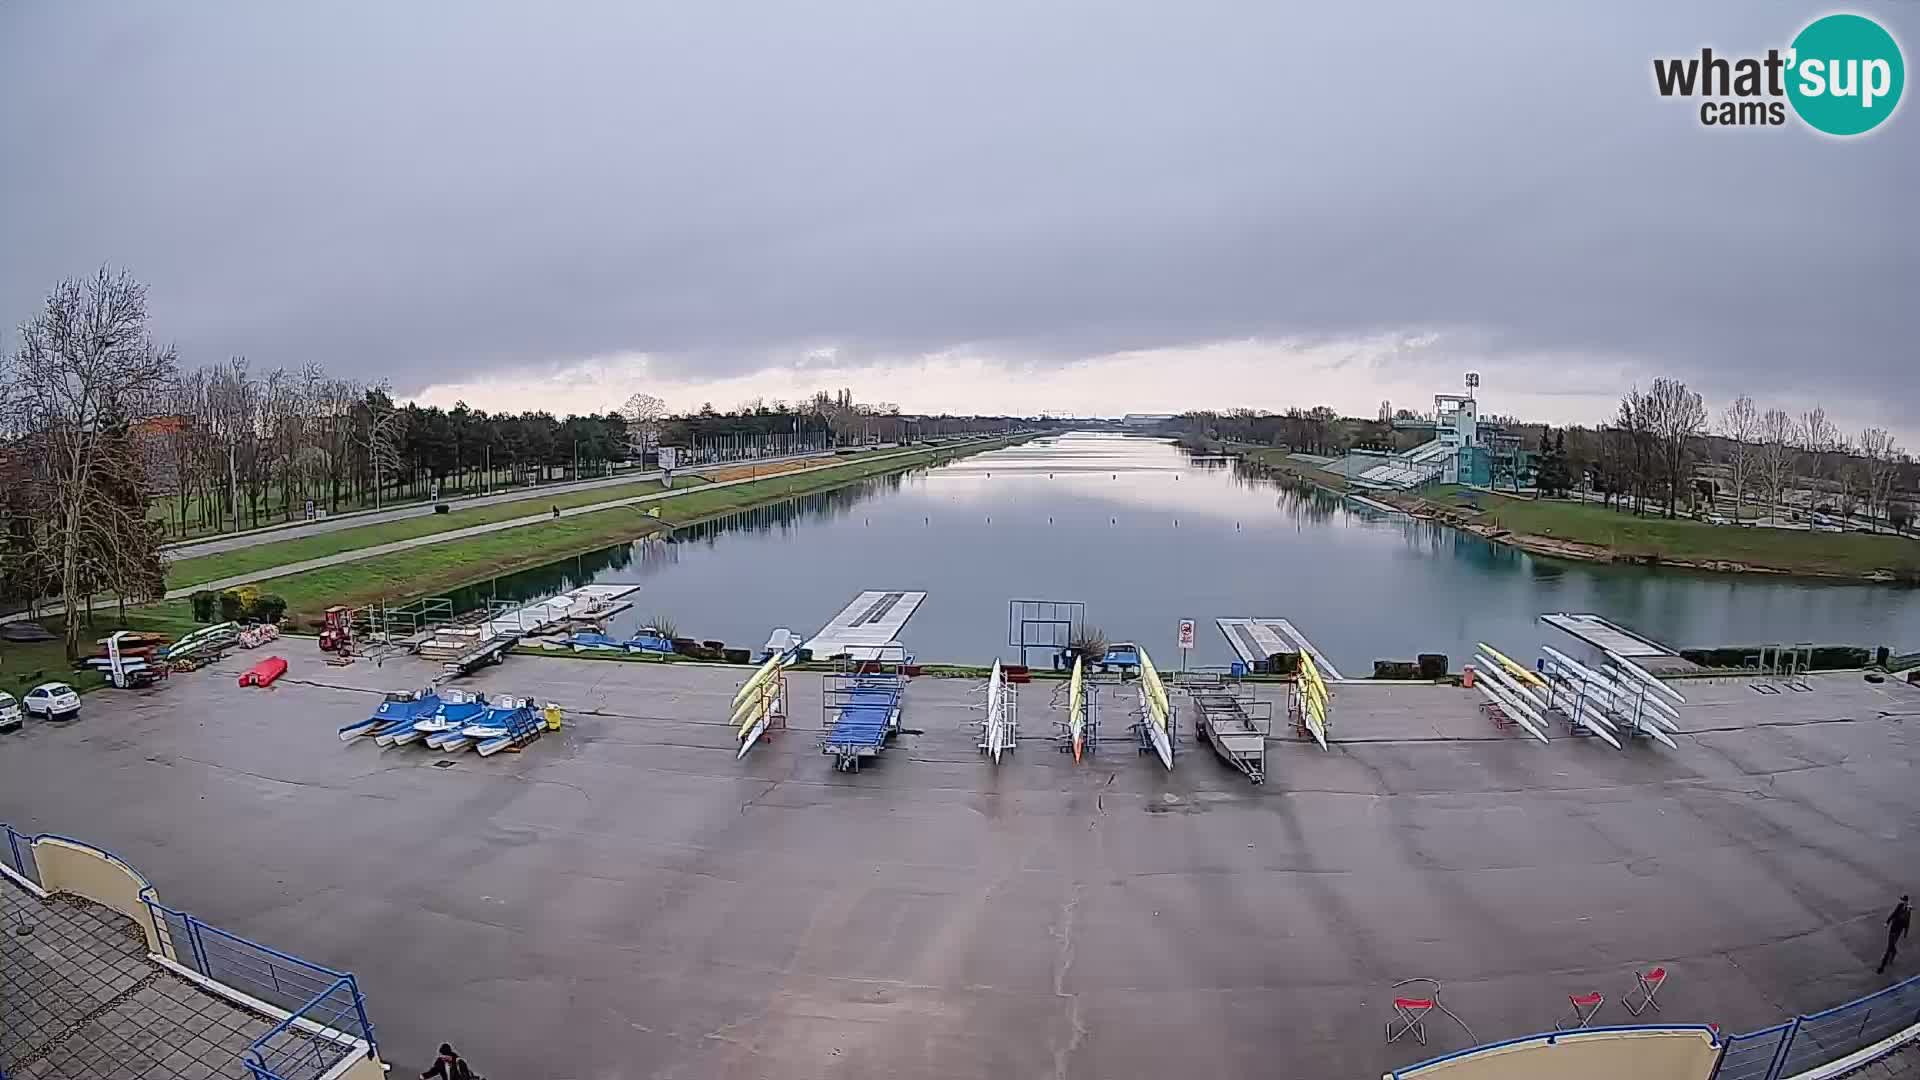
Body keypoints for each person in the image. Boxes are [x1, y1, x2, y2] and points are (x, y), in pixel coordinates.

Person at [1878, 895, 1911, 974]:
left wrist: (1905, 933)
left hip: (1898, 931)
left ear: (1906, 901)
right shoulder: (1900, 906)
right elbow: (1893, 914)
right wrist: (1887, 922)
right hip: (1893, 928)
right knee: (1891, 944)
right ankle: (1893, 953)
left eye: (1903, 900)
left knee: (1890, 946)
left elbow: (1907, 922)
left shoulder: (1908, 910)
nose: (1902, 901)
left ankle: (1884, 963)